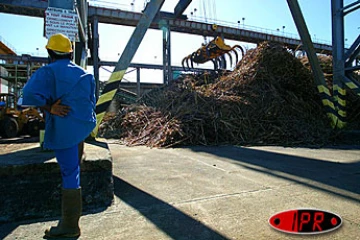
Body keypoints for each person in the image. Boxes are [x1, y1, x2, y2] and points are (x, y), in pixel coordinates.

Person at [22, 33, 96, 238]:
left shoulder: (47, 72)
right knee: (75, 170)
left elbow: (27, 95)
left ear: (49, 52)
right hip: (81, 129)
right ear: (70, 53)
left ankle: (70, 226)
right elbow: (92, 101)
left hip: (64, 130)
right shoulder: (85, 74)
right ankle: (70, 222)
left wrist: (49, 108)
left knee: (69, 174)